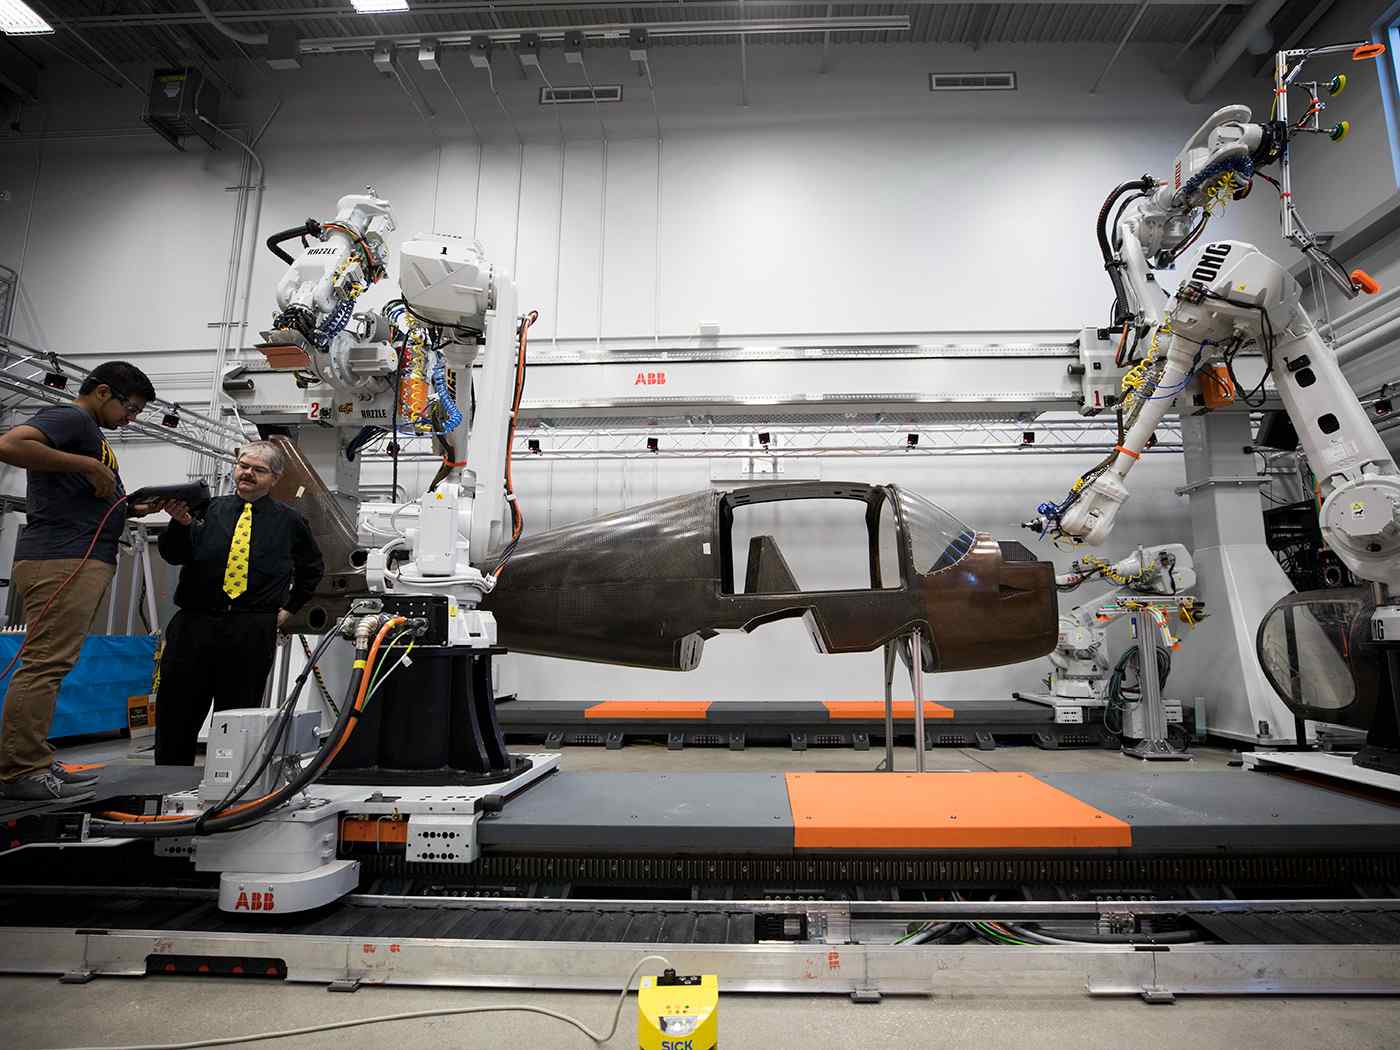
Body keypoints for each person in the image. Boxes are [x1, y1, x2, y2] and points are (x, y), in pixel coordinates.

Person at [0, 361, 164, 800]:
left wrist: (129, 507)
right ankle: (20, 770)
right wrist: (89, 467)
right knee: (44, 664)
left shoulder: (90, 432)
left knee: (52, 664)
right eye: (130, 408)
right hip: (62, 558)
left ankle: (33, 758)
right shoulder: (70, 418)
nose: (132, 419)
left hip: (77, 555)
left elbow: (81, 496)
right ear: (104, 391)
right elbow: (10, 445)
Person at [154, 440, 324, 766]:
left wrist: (289, 609)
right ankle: (166, 788)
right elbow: (172, 555)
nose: (247, 473)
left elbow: (312, 569)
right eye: (243, 465)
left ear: (275, 478)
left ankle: (228, 788)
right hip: (194, 624)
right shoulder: (203, 510)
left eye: (258, 470)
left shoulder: (289, 521)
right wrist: (180, 524)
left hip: (251, 628)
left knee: (238, 718)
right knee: (177, 711)